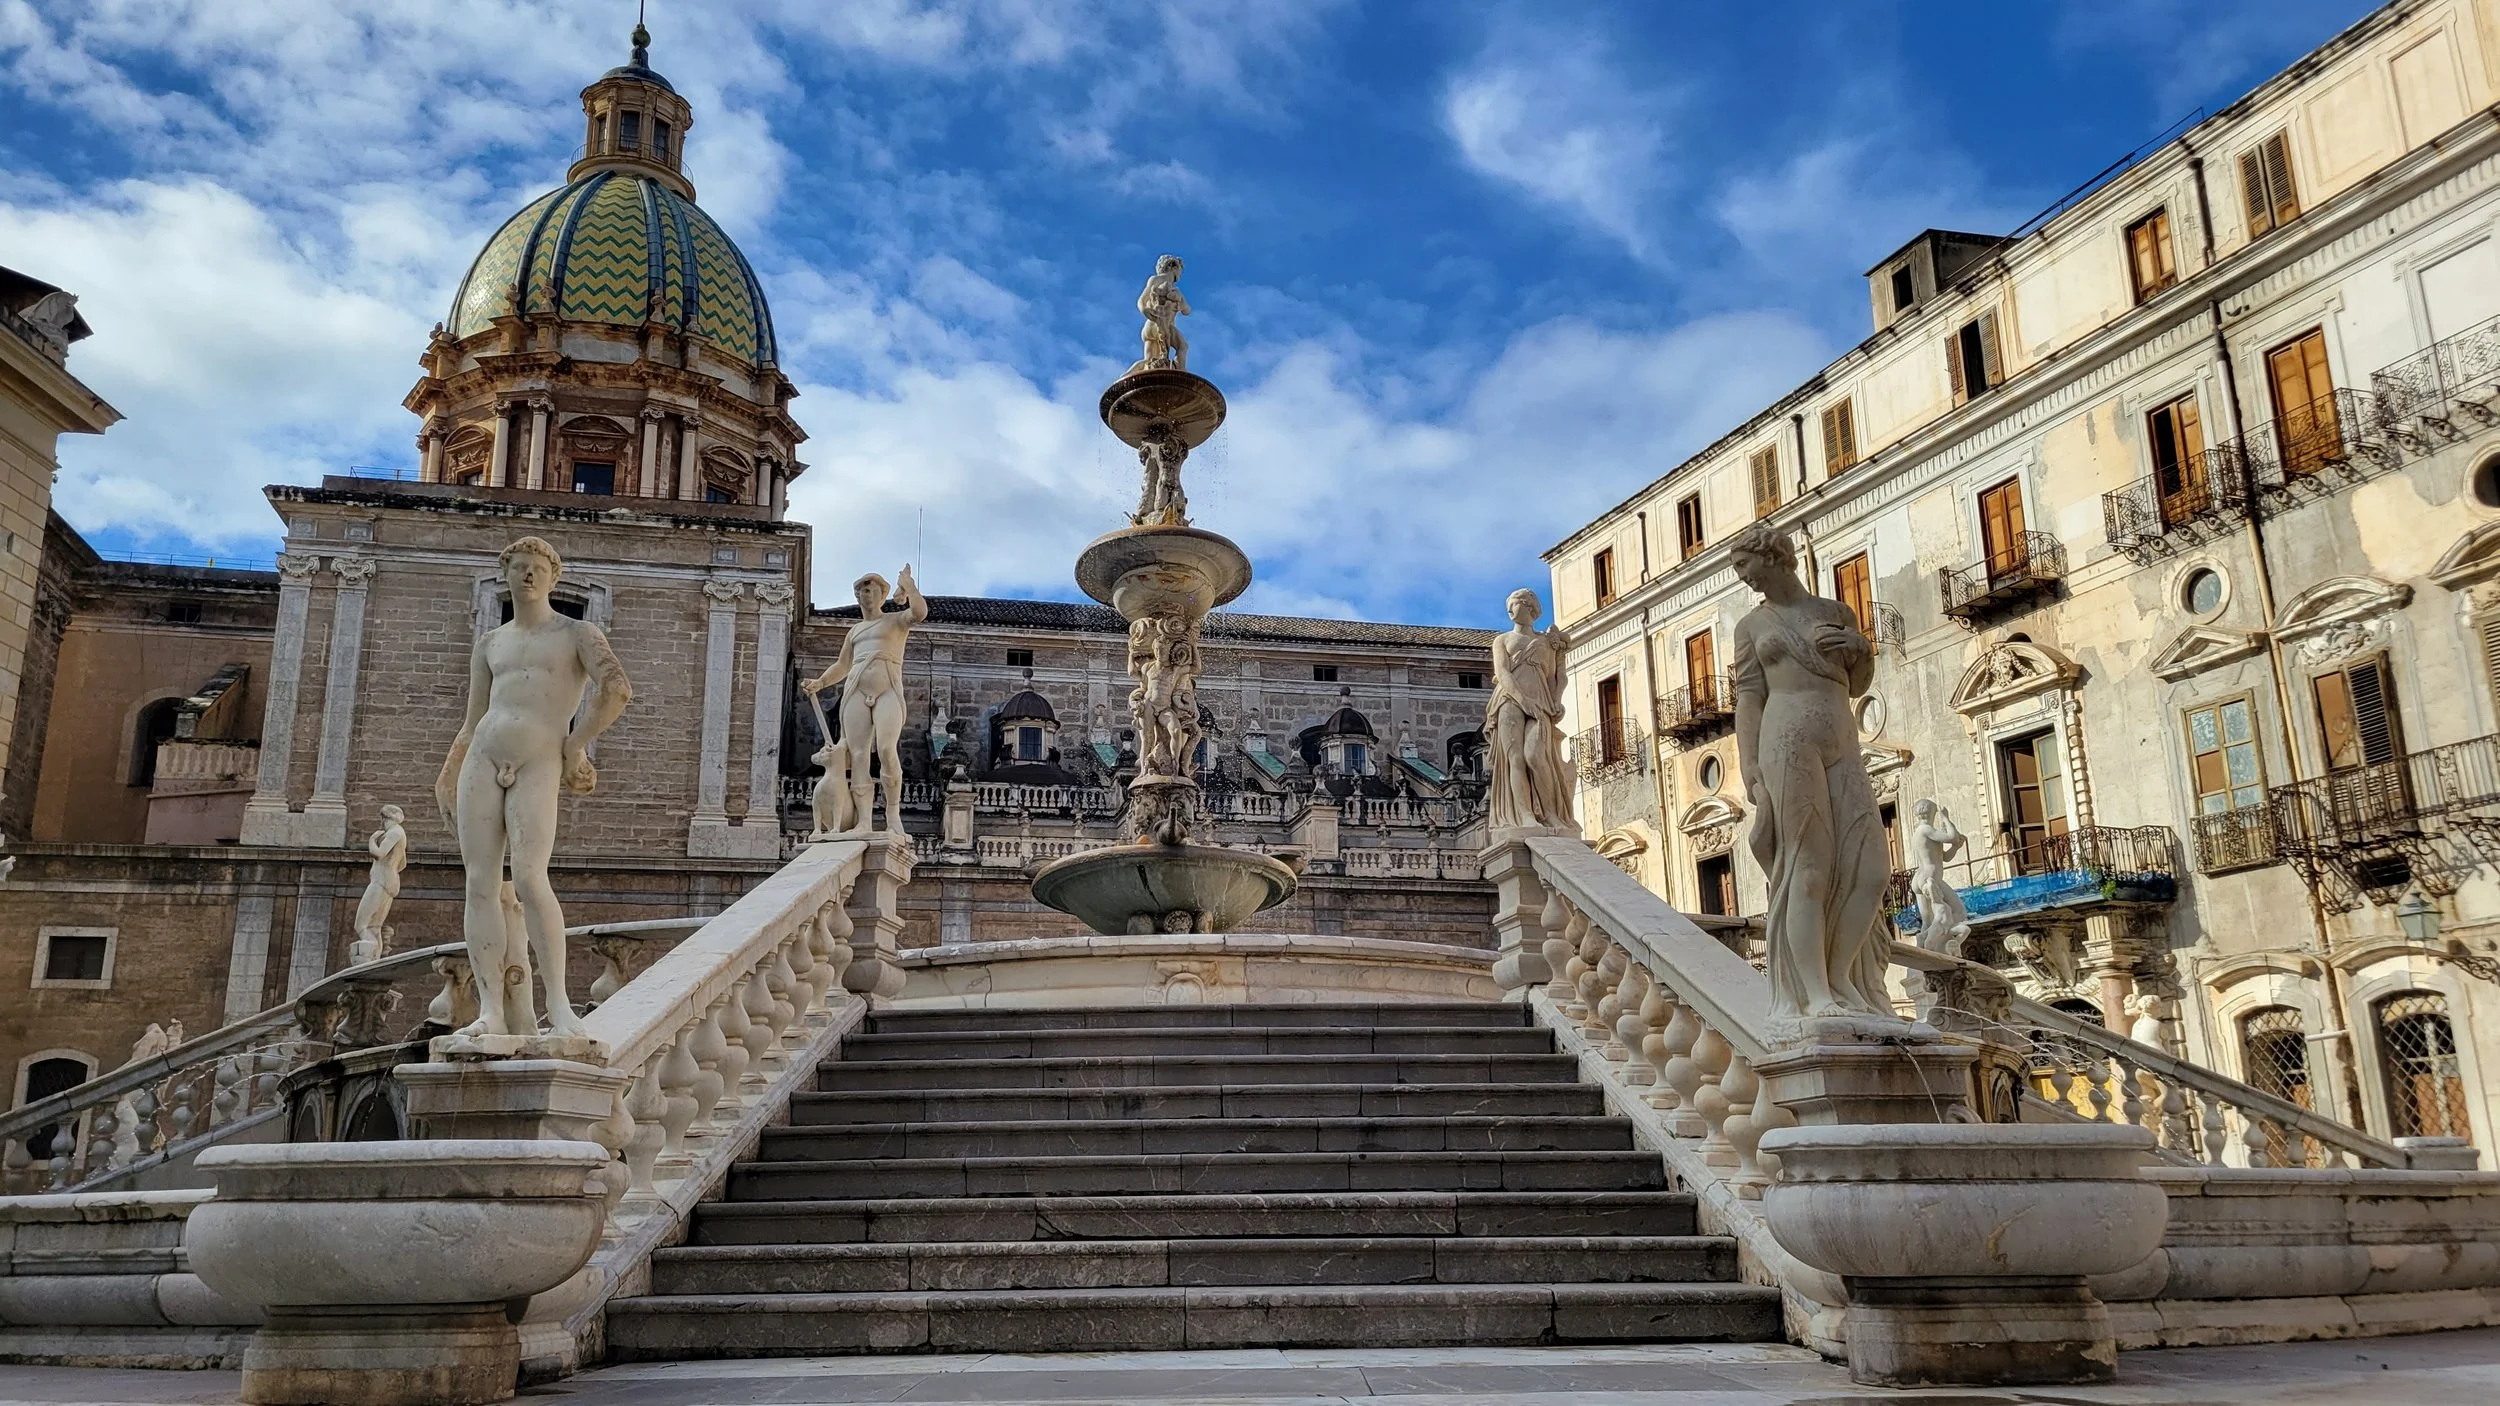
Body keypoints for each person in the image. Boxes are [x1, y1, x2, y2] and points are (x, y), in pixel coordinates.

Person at [434, 537, 633, 1041]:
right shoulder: (491, 643)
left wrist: (577, 744)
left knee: (528, 876)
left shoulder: (576, 633)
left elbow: (617, 689)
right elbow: (472, 717)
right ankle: (490, 1011)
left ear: (553, 577)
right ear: (506, 574)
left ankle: (561, 1007)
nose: (528, 575)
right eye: (519, 567)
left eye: (537, 568)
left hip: (539, 757)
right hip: (481, 755)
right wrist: (448, 770)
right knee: (480, 883)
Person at [1730, 523, 1892, 1030]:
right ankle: (1813, 994)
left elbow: (1857, 682)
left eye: (1744, 564)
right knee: (1808, 866)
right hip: (1786, 738)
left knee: (1871, 868)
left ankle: (1841, 976)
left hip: (1841, 738)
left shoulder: (1834, 613)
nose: (1743, 576)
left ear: (1772, 556)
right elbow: (1749, 698)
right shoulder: (1751, 627)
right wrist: (1750, 765)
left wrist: (1859, 647)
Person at [802, 566, 927, 836]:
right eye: (862, 591)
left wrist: (909, 586)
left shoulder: (895, 621)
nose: (866, 594)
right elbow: (842, 664)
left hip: (887, 690)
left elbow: (920, 613)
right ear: (857, 597)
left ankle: (892, 815)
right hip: (856, 690)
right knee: (857, 756)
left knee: (885, 750)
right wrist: (821, 682)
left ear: (883, 596)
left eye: (871, 590)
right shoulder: (854, 632)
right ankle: (864, 823)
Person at [1485, 588, 1573, 832]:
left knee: (1536, 755)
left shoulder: (1547, 643)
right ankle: (1525, 816)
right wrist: (1523, 700)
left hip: (1541, 703)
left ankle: (1552, 814)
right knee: (1515, 758)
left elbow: (1557, 676)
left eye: (1514, 605)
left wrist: (1557, 701)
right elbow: (1502, 673)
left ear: (1530, 607)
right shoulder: (1502, 641)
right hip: (1509, 701)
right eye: (1509, 606)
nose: (1510, 610)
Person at [1908, 798, 1972, 956]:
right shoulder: (1925, 829)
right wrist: (1945, 818)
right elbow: (1951, 837)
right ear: (1931, 812)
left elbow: (1944, 857)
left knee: (1927, 921)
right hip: (1930, 877)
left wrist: (1956, 847)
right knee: (1959, 911)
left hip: (1920, 878)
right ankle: (1944, 945)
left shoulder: (1921, 833)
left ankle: (1924, 949)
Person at [1137, 255, 1190, 371]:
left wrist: (1145, 310)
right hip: (1161, 326)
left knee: (1149, 365)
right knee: (1183, 346)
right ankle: (1180, 374)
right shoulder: (1159, 280)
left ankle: (1127, 376)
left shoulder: (1166, 286)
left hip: (1149, 327)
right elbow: (1187, 311)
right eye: (1179, 270)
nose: (1180, 275)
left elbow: (1141, 302)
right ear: (1172, 267)